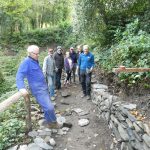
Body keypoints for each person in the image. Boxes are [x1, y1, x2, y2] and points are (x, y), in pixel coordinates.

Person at [16, 45, 60, 128]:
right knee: (49, 107)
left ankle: (49, 122)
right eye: (36, 54)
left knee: (46, 106)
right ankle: (54, 123)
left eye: (38, 53)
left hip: (44, 87)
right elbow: (19, 75)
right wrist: (21, 88)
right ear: (30, 53)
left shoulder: (34, 60)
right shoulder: (26, 62)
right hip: (38, 90)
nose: (38, 55)